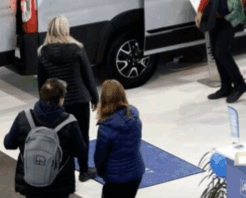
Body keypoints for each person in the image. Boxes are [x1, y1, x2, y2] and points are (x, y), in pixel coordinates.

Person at [37, 15, 98, 182]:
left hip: (56, 103)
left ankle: (64, 172)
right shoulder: (77, 49)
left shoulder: (42, 53)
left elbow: (42, 84)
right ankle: (84, 170)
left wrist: (43, 105)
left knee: (60, 137)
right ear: (65, 29)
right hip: (80, 100)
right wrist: (95, 98)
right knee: (82, 136)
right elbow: (88, 76)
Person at [4, 79, 88, 198]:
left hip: (31, 184)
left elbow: (8, 144)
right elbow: (81, 152)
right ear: (60, 99)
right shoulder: (69, 122)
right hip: (59, 185)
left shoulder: (23, 117)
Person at [94, 80, 144, 198]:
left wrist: (101, 173)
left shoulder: (106, 128)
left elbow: (100, 157)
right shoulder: (134, 117)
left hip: (115, 178)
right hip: (136, 172)